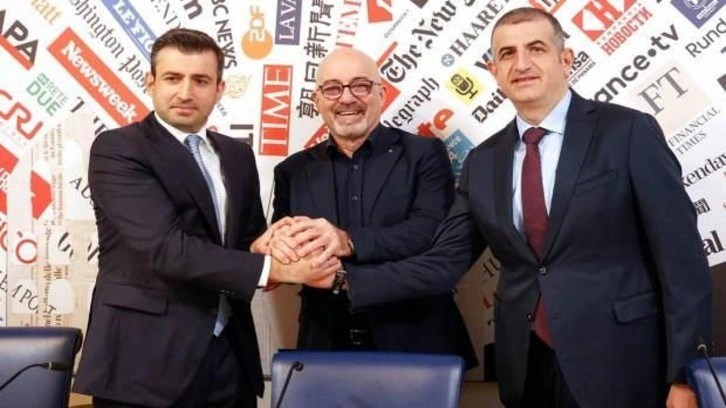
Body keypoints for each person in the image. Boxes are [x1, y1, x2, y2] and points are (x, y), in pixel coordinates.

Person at [309, 8, 712, 408]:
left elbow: (682, 260)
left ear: (566, 60)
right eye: (507, 54)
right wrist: (343, 279)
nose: (521, 64)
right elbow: (443, 262)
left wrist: (685, 374)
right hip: (528, 368)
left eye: (536, 48)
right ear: (494, 71)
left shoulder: (628, 132)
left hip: (624, 365)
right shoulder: (483, 161)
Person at [72, 28, 339, 408]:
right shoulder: (118, 149)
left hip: (230, 357)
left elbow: (245, 241)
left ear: (219, 89)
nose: (185, 92)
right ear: (150, 82)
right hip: (144, 362)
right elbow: (167, 250)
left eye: (200, 80)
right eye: (173, 78)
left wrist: (272, 245)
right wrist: (278, 269)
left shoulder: (237, 156)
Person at [266, 48, 477, 368]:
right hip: (324, 346)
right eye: (332, 88)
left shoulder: (424, 154)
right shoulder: (291, 172)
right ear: (317, 100)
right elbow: (284, 251)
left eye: (360, 86)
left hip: (417, 343)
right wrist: (278, 252)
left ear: (382, 94)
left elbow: (429, 233)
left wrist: (347, 241)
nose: (346, 98)